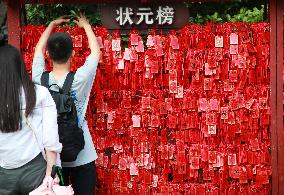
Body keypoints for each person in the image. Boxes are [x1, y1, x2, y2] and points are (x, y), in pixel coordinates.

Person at [32, 15, 100, 195]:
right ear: (72, 53)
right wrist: (86, 25)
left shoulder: (39, 79)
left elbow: (37, 53)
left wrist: (51, 25)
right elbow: (95, 54)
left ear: (49, 55)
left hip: (52, 159)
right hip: (82, 154)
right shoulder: (79, 79)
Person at [0, 43, 62, 193]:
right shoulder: (39, 93)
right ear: (19, 66)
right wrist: (50, 175)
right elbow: (50, 139)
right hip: (35, 169)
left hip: (4, 172)